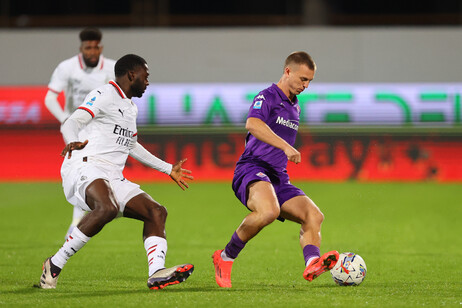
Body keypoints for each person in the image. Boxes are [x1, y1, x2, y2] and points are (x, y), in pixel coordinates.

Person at [39, 54, 194, 290]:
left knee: (156, 212)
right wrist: (71, 140)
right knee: (107, 207)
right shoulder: (104, 94)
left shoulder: (130, 108)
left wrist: (167, 169)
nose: (148, 81)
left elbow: (131, 145)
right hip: (85, 165)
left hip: (112, 176)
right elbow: (72, 121)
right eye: (146, 75)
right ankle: (54, 264)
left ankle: (156, 273)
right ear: (132, 74)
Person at [212, 51, 339, 288]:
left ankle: (312, 261)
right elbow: (253, 123)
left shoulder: (295, 106)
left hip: (277, 177)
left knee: (314, 216)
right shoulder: (267, 96)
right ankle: (225, 257)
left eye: (310, 81)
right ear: (288, 71)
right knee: (269, 211)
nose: (306, 85)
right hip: (252, 168)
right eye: (303, 79)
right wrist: (286, 147)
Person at [44, 27, 116, 239]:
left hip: (100, 129)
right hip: (76, 127)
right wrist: (66, 120)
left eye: (95, 47)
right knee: (80, 170)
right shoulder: (67, 68)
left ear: (100, 47)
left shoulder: (111, 68)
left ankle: (77, 223)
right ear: (81, 48)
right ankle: (79, 220)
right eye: (88, 48)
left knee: (90, 170)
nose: (92, 52)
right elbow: (50, 98)